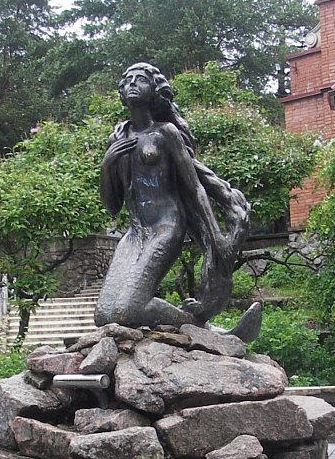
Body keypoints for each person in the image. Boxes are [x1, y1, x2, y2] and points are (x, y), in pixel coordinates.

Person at [94, 62, 260, 339]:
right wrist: (107, 164)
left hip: (166, 226)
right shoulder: (118, 138)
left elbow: (195, 188)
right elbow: (112, 206)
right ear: (122, 92)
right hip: (134, 233)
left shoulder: (166, 133)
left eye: (140, 79)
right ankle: (199, 326)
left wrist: (216, 236)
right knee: (104, 315)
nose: (132, 84)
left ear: (154, 91)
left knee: (126, 312)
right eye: (128, 80)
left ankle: (200, 329)